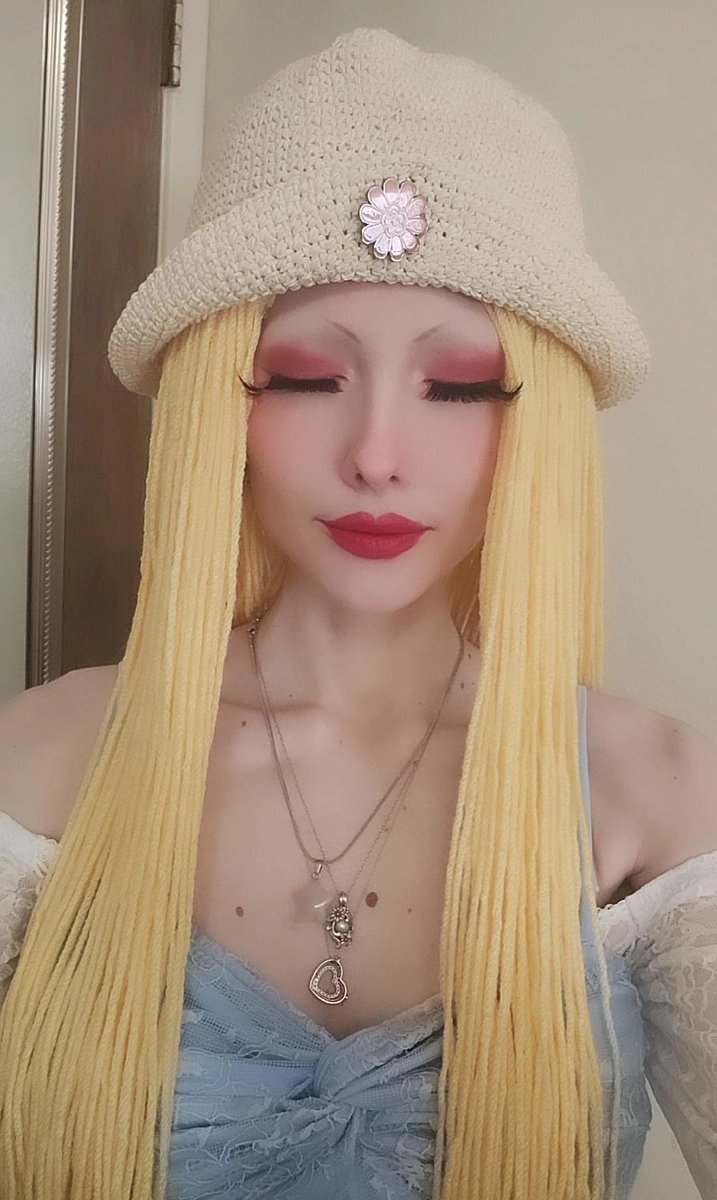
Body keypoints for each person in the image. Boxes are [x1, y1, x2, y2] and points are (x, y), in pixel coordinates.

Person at [0, 24, 716, 1200]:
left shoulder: (660, 807)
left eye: (458, 387)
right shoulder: (42, 768)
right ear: (218, 401)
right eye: (306, 376)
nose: (377, 454)